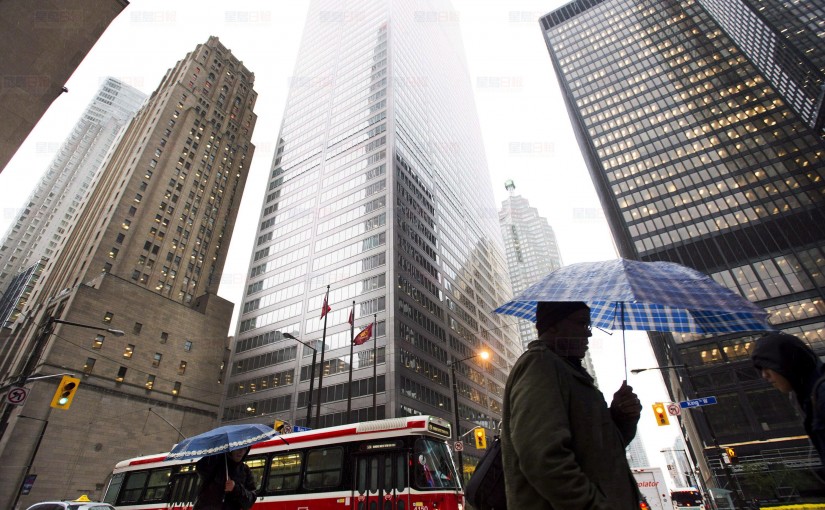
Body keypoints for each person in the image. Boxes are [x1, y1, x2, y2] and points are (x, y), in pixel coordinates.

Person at [501, 301, 642, 509]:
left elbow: (599, 451)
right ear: (554, 324)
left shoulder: (570, 373)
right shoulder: (541, 366)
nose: (589, 334)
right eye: (582, 324)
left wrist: (621, 417)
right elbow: (544, 459)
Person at [751, 332, 825, 465]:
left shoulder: (821, 394)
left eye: (767, 366)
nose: (764, 375)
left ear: (786, 363)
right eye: (761, 369)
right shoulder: (805, 397)